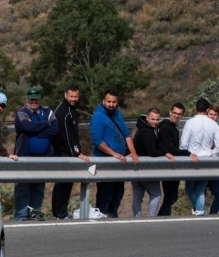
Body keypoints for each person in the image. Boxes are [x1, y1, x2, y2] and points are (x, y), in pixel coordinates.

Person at [90, 89, 139, 218]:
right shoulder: (98, 117)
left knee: (118, 192)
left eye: (114, 102)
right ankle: (101, 217)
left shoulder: (117, 114)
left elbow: (127, 134)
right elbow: (97, 140)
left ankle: (112, 217)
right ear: (103, 101)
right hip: (105, 162)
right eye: (109, 102)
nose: (111, 104)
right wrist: (114, 154)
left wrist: (133, 152)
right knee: (106, 192)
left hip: (119, 162)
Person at [13, 86, 58, 221]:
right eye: (31, 99)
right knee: (23, 188)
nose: (34, 101)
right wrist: (45, 124)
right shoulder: (22, 112)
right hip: (24, 156)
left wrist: (37, 133)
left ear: (40, 99)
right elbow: (27, 126)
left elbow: (55, 128)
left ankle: (35, 215)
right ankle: (21, 216)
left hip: (43, 158)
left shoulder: (48, 112)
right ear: (26, 99)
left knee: (38, 188)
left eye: (36, 99)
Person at [179, 98, 219, 216]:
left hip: (192, 160)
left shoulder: (189, 122)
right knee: (200, 189)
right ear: (207, 109)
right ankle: (201, 211)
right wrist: (212, 154)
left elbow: (183, 145)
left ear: (195, 108)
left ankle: (201, 211)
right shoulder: (213, 124)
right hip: (207, 160)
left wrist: (189, 154)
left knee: (190, 189)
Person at [50, 84, 89, 219]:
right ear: (65, 95)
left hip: (65, 152)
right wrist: (77, 153)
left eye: (76, 96)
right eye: (71, 96)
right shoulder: (64, 112)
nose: (73, 99)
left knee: (62, 183)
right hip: (63, 153)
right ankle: (61, 213)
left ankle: (58, 213)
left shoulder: (70, 110)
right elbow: (67, 136)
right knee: (64, 184)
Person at [157, 102, 199, 216]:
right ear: (170, 112)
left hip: (173, 165)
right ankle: (160, 218)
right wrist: (188, 154)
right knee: (170, 196)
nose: (176, 116)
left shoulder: (173, 128)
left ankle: (164, 218)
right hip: (167, 166)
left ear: (182, 116)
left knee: (172, 197)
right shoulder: (165, 127)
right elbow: (170, 149)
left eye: (179, 114)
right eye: (174, 113)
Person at [131, 108, 165, 217]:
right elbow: (152, 152)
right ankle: (151, 218)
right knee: (156, 194)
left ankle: (137, 219)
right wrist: (165, 152)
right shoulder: (147, 132)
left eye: (157, 119)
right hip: (146, 169)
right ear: (147, 118)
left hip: (136, 169)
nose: (155, 122)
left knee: (137, 196)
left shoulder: (141, 129)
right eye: (152, 119)